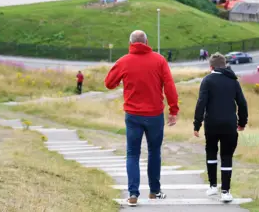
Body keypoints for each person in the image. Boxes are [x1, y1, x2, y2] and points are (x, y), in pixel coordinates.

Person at [105, 30, 179, 207]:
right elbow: (169, 85)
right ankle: (154, 191)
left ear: (130, 43)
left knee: (132, 153)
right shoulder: (159, 60)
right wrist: (173, 109)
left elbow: (108, 83)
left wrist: (119, 82)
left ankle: (133, 193)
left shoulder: (123, 61)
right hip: (155, 115)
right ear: (147, 41)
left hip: (133, 115)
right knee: (154, 152)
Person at [193, 53, 248, 203]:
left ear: (211, 67)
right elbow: (242, 103)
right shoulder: (233, 81)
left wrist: (197, 124)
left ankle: (212, 186)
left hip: (211, 124)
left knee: (211, 152)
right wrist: (242, 122)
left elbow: (201, 103)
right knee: (227, 156)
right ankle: (226, 191)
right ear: (224, 65)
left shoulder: (207, 80)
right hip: (229, 124)